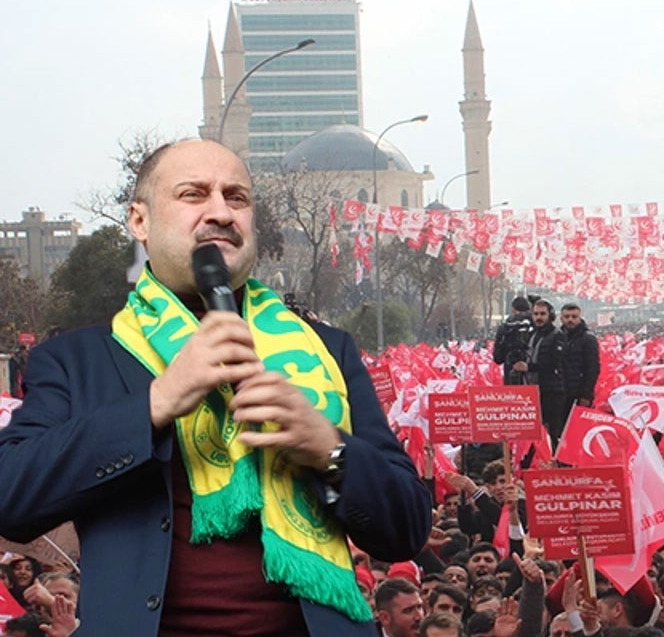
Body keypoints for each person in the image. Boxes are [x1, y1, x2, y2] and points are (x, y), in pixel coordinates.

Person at [0, 139, 432, 636]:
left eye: (237, 197)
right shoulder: (80, 362)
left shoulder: (326, 353)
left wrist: (329, 449)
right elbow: (12, 498)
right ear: (139, 221)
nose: (221, 212)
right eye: (193, 194)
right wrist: (156, 403)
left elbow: (406, 527)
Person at [513, 300, 568, 442]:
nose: (539, 317)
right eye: (536, 314)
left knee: (552, 431)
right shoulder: (531, 335)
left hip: (551, 390)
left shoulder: (557, 335)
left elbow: (555, 362)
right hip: (531, 389)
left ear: (550, 315)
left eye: (542, 314)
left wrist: (529, 367)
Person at [558, 303, 600, 412]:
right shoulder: (556, 337)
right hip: (560, 392)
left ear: (580, 318)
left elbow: (592, 368)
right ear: (561, 318)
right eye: (567, 317)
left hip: (579, 393)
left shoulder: (588, 339)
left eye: (574, 317)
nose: (570, 320)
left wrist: (586, 394)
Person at [493, 297, 535, 385]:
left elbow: (498, 358)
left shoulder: (506, 327)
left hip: (511, 377)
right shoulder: (536, 326)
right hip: (534, 379)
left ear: (513, 310)